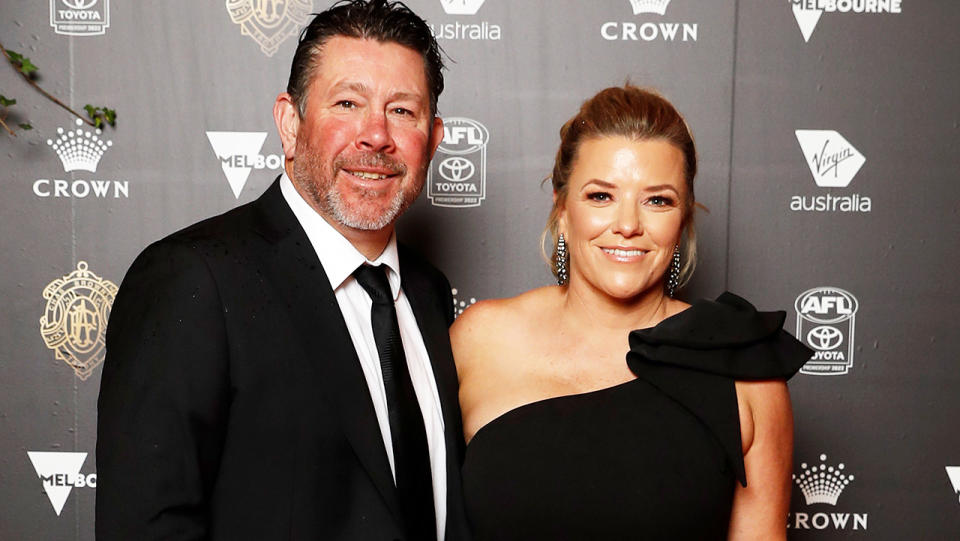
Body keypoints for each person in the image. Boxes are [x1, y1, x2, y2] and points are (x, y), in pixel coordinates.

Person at [96, 2, 469, 539]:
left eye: (402, 111)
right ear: (290, 124)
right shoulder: (192, 279)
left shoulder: (427, 292)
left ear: (432, 140)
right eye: (347, 102)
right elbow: (145, 524)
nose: (375, 136)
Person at [453, 85, 812, 539]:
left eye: (657, 200)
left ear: (682, 222)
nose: (627, 225)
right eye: (601, 196)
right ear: (562, 211)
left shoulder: (744, 369)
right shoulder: (479, 339)